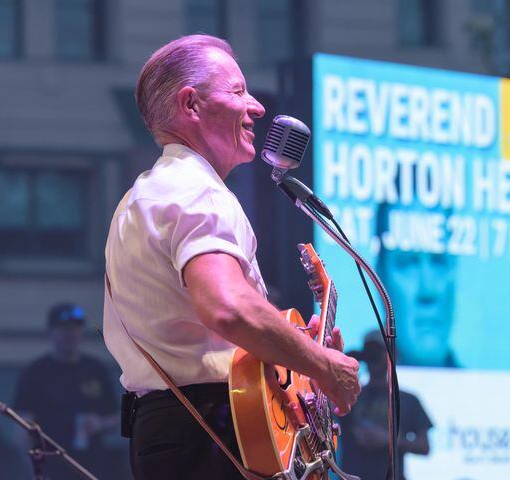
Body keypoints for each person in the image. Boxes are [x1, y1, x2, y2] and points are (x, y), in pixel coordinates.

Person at [102, 34, 361, 480]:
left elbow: (213, 329)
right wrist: (320, 363)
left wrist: (293, 348)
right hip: (212, 432)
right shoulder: (195, 189)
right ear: (191, 105)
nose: (257, 107)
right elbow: (226, 306)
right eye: (238, 91)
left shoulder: (146, 194)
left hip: (177, 431)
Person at [13, 303, 121, 480]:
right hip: (53, 468)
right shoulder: (35, 373)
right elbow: (22, 430)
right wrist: (35, 471)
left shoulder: (96, 370)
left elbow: (116, 418)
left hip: (93, 467)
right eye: (63, 329)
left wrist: (99, 424)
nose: (69, 334)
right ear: (51, 332)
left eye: (75, 328)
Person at [375, 199, 460, 368]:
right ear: (380, 276)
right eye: (408, 263)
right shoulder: (350, 391)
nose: (428, 290)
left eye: (438, 261)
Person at [339, 330, 433, 480]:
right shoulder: (350, 395)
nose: (373, 358)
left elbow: (424, 446)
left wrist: (387, 440)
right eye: (370, 353)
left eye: (378, 353)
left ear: (392, 356)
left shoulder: (408, 400)